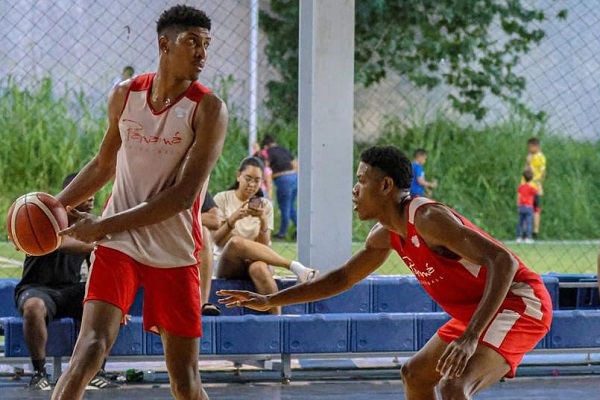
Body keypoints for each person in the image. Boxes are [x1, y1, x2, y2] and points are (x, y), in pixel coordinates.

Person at [219, 145, 553, 400]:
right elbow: (341, 279)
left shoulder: (427, 219)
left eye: (362, 180)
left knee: (454, 387)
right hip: (477, 312)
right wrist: (270, 299)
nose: (354, 189)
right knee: (416, 375)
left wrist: (469, 338)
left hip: (518, 302)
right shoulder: (385, 235)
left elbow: (504, 262)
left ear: (386, 186)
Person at [51, 5, 228, 400]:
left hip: (174, 248)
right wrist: (53, 210)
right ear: (164, 44)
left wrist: (101, 226)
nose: (202, 53)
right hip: (119, 245)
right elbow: (103, 164)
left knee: (184, 381)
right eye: (192, 42)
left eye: (206, 45)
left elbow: (184, 197)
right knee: (89, 349)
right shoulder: (125, 95)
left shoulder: (209, 109)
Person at [14, 174, 116, 391]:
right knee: (34, 307)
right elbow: (62, 241)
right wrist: (95, 243)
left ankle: (97, 371)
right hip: (37, 289)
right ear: (73, 194)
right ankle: (39, 373)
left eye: (93, 195)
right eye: (86, 193)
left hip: (69, 290)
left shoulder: (88, 228)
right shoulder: (44, 221)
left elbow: (97, 264)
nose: (91, 198)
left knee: (109, 303)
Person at [213, 156, 317, 315]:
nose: (252, 184)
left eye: (257, 180)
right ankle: (294, 266)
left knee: (260, 268)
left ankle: (278, 321)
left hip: (255, 260)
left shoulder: (265, 205)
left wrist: (262, 221)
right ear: (238, 176)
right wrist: (233, 218)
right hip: (228, 262)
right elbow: (217, 240)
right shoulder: (222, 198)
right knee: (236, 243)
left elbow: (263, 244)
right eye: (248, 179)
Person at [260, 134, 298, 239]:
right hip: (295, 178)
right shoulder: (284, 149)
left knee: (284, 207)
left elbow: (265, 168)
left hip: (283, 180)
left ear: (265, 146)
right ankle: (299, 228)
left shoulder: (268, 152)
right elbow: (295, 164)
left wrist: (274, 176)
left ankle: (282, 233)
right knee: (291, 206)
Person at [199, 191, 221, 316]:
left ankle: (202, 302)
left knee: (202, 232)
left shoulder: (193, 183)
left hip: (182, 244)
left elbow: (215, 220)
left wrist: (179, 215)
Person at [523, 137, 546, 239]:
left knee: (535, 209)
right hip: (526, 186)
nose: (529, 149)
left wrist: (540, 185)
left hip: (534, 187)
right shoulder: (529, 156)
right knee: (524, 208)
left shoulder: (541, 157)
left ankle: (535, 231)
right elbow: (525, 170)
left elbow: (542, 173)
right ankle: (524, 232)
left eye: (531, 147)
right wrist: (528, 162)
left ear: (536, 146)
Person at [516, 169, 537, 243]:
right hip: (529, 207)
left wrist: (518, 205)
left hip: (522, 206)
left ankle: (518, 237)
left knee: (520, 222)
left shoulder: (521, 187)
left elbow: (518, 196)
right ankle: (528, 237)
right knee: (528, 223)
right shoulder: (531, 188)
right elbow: (536, 193)